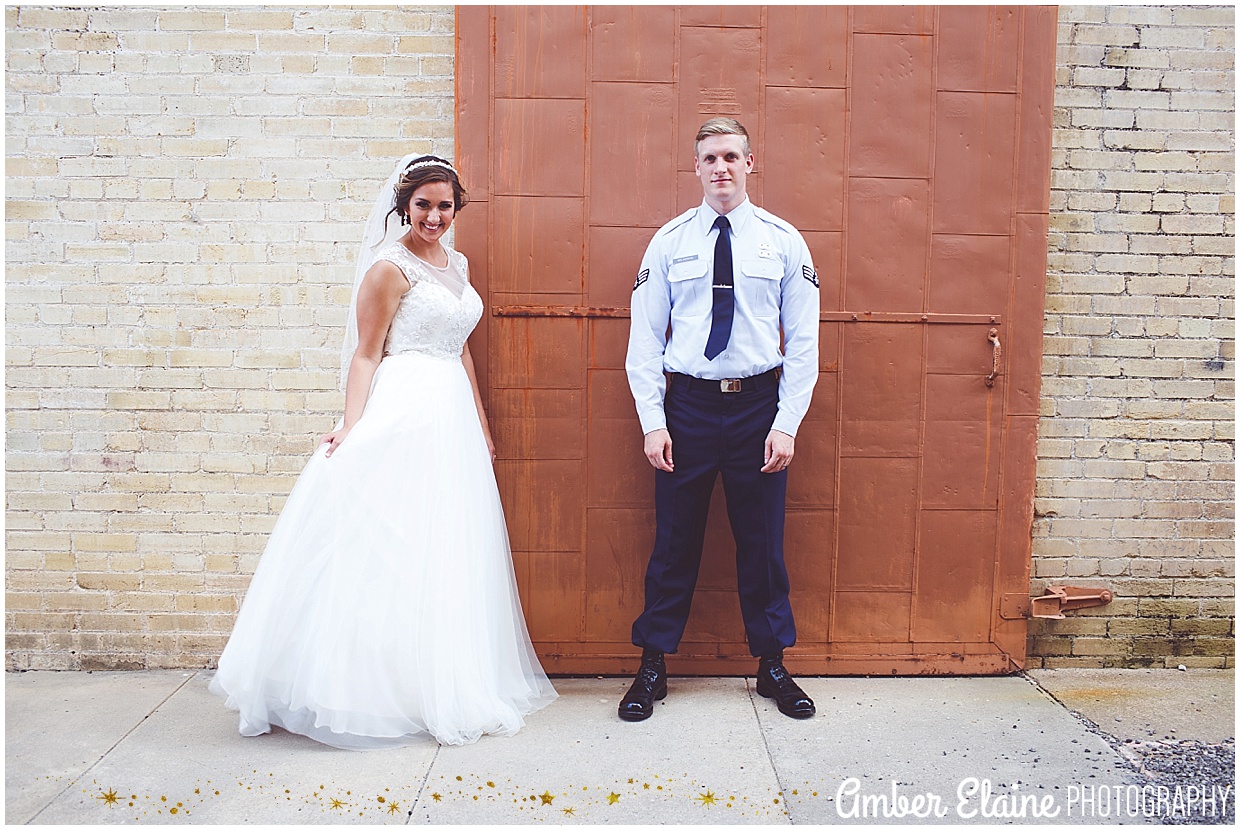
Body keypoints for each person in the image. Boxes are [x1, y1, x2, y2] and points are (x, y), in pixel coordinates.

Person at [210, 153, 557, 749]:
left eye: (444, 205)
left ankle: (435, 679)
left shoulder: (458, 262)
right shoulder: (388, 268)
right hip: (405, 408)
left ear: (456, 208)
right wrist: (351, 426)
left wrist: (481, 420)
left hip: (450, 415)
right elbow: (366, 353)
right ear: (404, 204)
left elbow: (462, 346)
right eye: (423, 204)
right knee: (391, 544)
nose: (434, 216)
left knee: (444, 545)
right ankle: (370, 687)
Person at [621, 117, 820, 722]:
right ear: (697, 166)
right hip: (690, 408)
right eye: (710, 158)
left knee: (762, 546)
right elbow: (645, 339)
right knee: (674, 541)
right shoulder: (671, 241)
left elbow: (805, 343)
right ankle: (652, 665)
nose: (721, 168)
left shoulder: (783, 241)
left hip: (759, 407)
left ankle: (772, 666)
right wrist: (654, 421)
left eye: (731, 156)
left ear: (751, 162)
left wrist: (786, 423)